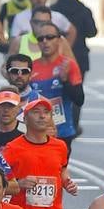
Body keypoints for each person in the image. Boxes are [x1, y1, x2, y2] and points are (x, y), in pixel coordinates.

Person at [29, 21, 85, 149]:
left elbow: (79, 100)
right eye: (41, 38)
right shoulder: (32, 67)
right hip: (36, 133)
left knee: (60, 169)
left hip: (63, 132)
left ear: (59, 40)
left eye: (49, 37)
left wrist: (65, 81)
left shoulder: (68, 65)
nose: (45, 41)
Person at [52, 0, 97, 132]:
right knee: (76, 90)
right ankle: (73, 124)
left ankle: (56, 122)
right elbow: (92, 32)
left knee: (56, 91)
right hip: (79, 56)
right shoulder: (84, 10)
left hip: (57, 55)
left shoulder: (55, 9)